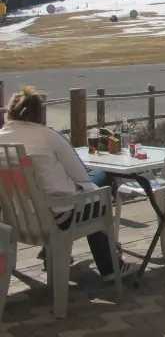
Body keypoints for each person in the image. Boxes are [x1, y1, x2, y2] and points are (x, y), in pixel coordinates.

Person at [0, 88, 136, 280]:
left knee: (91, 189)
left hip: (18, 218)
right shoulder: (48, 136)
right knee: (100, 185)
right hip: (58, 217)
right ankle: (110, 267)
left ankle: (52, 252)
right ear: (39, 113)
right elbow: (81, 177)